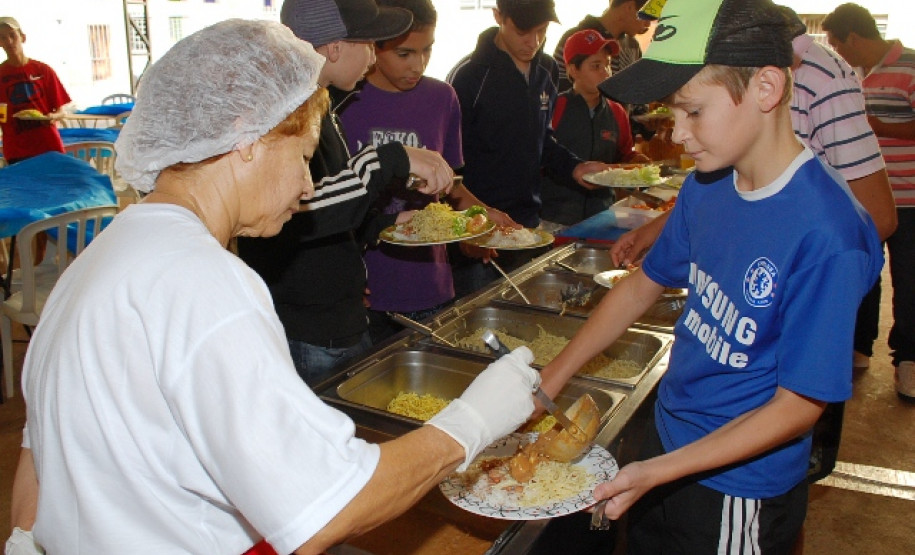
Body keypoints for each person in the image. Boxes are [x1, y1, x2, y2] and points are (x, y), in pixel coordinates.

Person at [6, 19, 539, 555]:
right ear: (246, 138)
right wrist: (476, 419)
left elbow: (40, 453)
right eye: (305, 157)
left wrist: (24, 540)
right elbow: (327, 508)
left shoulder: (99, 256)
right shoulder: (206, 282)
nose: (308, 186)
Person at [539, 0, 883, 552]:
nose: (677, 133)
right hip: (670, 436)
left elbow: (799, 406)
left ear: (767, 89)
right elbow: (643, 284)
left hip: (735, 484)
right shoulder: (706, 186)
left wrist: (664, 470)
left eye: (692, 112)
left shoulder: (827, 234)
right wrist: (552, 377)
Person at [237, 0, 456, 387]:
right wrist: (390, 158)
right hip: (309, 324)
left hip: (340, 313)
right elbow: (292, 209)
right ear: (335, 47)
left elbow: (329, 201)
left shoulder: (320, 104)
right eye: (370, 44)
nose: (374, 59)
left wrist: (384, 223)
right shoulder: (279, 114)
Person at [336, 0, 516, 344]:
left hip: (429, 285)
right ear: (374, 45)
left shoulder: (442, 98)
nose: (417, 65)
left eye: (427, 50)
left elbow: (451, 188)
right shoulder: (345, 101)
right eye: (404, 54)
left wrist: (481, 217)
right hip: (364, 290)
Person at [445, 0, 609, 298]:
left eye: (542, 31)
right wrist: (470, 219)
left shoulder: (546, 69)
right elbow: (449, 165)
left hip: (527, 226)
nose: (533, 42)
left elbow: (542, 140)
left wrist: (574, 166)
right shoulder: (469, 76)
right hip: (480, 231)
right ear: (498, 17)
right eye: (523, 31)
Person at [822, 3, 915, 399]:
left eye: (838, 45)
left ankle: (908, 361)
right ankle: (859, 349)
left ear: (855, 38)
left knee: (909, 281)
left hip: (909, 195)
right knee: (862, 272)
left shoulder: (910, 66)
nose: (838, 53)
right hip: (861, 196)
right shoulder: (852, 74)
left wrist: (879, 125)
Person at [541, 29, 650, 226]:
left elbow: (624, 156)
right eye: (596, 66)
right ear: (573, 70)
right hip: (555, 219)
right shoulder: (554, 108)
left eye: (607, 66)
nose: (605, 73)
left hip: (603, 217)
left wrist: (637, 162)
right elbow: (541, 155)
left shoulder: (617, 112)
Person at [0, 16, 71, 163]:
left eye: (12, 35)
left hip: (48, 144)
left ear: (23, 37)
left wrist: (52, 117)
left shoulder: (43, 70)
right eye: (2, 38)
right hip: (16, 149)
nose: (9, 41)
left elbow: (61, 111)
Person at [551, 0, 650, 94]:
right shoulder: (574, 39)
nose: (648, 24)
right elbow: (557, 90)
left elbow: (640, 94)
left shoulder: (633, 46)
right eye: (647, 16)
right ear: (629, 7)